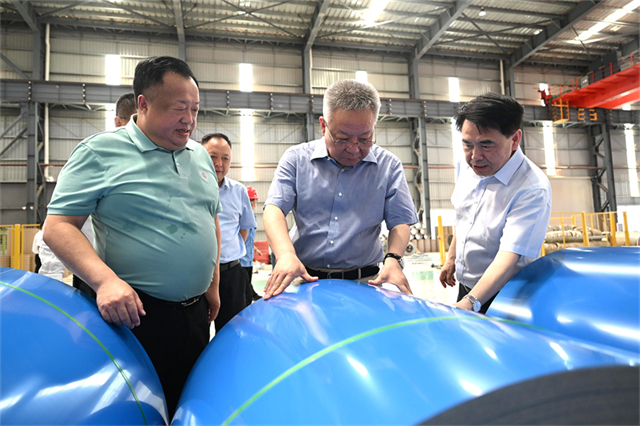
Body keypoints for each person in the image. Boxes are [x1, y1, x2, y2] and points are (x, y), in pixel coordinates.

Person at [44, 56, 222, 418]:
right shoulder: (100, 152)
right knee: (134, 412)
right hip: (134, 316)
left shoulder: (200, 156)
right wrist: (105, 281)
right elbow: (58, 226)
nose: (189, 119)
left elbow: (211, 218)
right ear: (143, 104)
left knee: (185, 406)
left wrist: (213, 285)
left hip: (193, 317)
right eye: (179, 108)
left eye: (195, 108)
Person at [263, 79, 418, 300]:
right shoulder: (296, 159)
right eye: (343, 139)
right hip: (304, 278)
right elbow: (274, 209)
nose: (354, 149)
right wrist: (285, 254)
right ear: (323, 126)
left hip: (364, 282)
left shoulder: (389, 166)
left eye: (365, 139)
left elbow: (400, 221)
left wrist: (393, 259)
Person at [439, 92, 551, 314]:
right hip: (468, 290)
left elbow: (509, 256)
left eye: (486, 145)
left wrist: (470, 302)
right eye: (467, 145)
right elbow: (464, 218)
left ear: (515, 139)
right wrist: (451, 259)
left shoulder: (531, 188)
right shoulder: (469, 168)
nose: (475, 156)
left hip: (506, 296)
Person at [71, 93, 138, 299]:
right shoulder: (95, 157)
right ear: (118, 122)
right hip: (95, 274)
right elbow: (61, 224)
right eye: (135, 122)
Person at [201, 133, 256, 331]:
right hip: (198, 275)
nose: (219, 163)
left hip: (231, 274)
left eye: (225, 158)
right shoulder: (189, 188)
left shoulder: (238, 191)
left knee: (232, 330)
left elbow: (244, 229)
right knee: (198, 332)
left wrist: (227, 251)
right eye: (213, 156)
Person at [241, 186, 263, 305]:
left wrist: (255, 249)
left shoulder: (253, 218)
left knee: (247, 284)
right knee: (245, 293)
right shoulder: (241, 217)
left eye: (254, 200)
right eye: (250, 200)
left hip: (248, 260)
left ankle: (252, 295)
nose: (252, 203)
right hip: (241, 260)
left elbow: (248, 238)